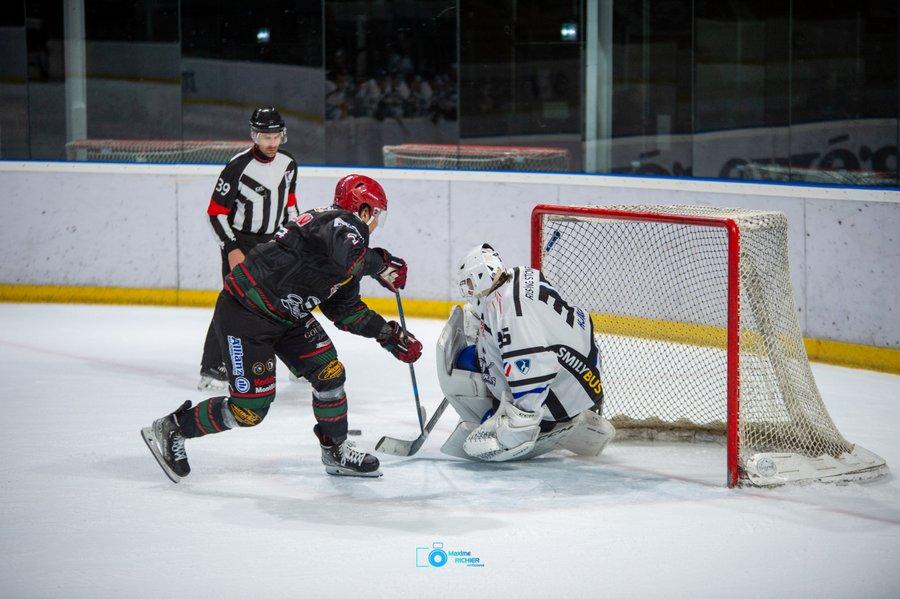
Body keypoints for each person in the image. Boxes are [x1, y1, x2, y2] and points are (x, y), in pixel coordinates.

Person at [143, 174, 422, 480]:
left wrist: (388, 335)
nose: (376, 223)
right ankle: (174, 427)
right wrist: (382, 263)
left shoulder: (344, 241)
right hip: (246, 314)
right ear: (364, 209)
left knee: (329, 373)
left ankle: (336, 451)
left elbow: (345, 311)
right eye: (377, 215)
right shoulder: (340, 222)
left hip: (287, 317)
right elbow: (354, 261)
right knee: (250, 411)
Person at [435, 243, 615, 462]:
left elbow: (534, 366)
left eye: (471, 284)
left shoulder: (511, 314)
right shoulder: (521, 275)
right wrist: (486, 324)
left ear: (482, 276)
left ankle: (546, 422)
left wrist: (518, 423)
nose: (469, 292)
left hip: (564, 396)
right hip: (582, 375)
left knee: (468, 368)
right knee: (473, 355)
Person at [198, 107, 300, 390]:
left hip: (275, 242)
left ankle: (300, 362)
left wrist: (294, 238)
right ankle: (214, 366)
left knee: (287, 300)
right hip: (241, 242)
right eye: (266, 136)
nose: (272, 142)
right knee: (235, 304)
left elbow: (290, 205)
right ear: (254, 135)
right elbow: (215, 213)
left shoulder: (289, 164)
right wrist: (231, 248)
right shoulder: (237, 167)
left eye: (276, 136)